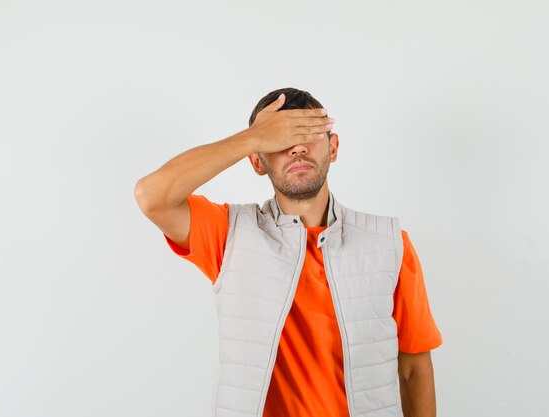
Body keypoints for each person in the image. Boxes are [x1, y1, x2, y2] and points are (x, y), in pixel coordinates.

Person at [135, 87, 443, 417]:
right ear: (257, 161)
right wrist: (249, 138)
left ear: (333, 147)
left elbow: (414, 369)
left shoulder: (390, 244)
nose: (297, 147)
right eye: (279, 138)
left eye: (309, 133)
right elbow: (152, 197)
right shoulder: (229, 234)